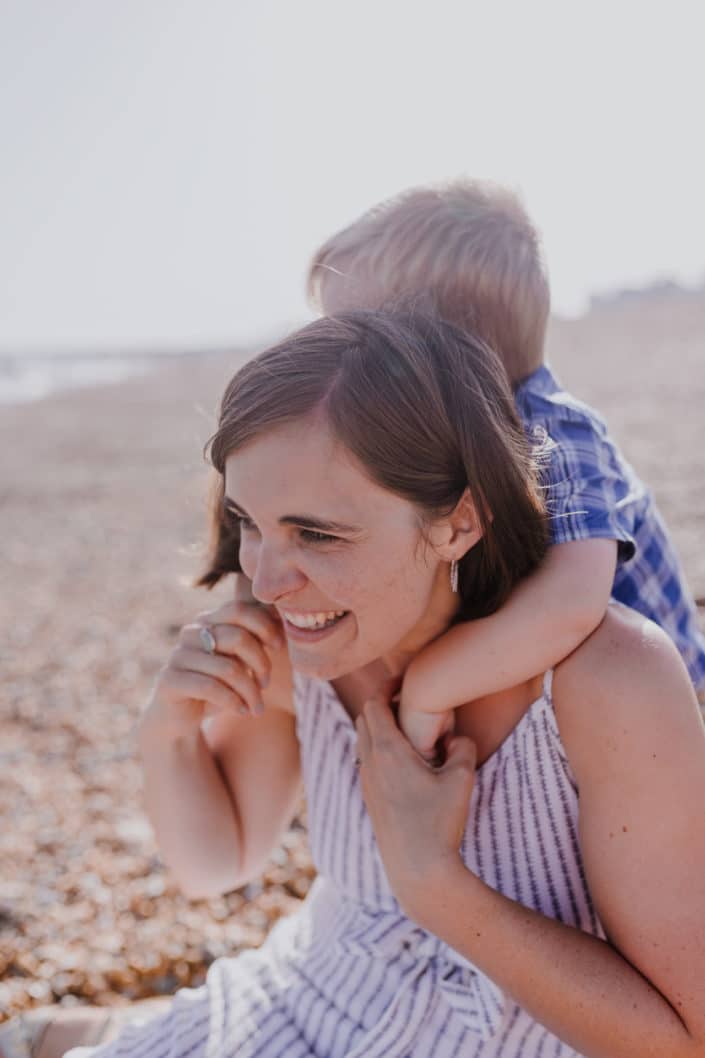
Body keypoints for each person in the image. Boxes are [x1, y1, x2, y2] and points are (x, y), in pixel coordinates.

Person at [9, 309, 705, 1058]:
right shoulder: (295, 642)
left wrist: (431, 882)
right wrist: (168, 732)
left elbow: (679, 1042)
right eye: (249, 521)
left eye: (317, 533)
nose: (267, 580)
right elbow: (214, 863)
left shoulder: (607, 682)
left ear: (457, 523)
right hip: (296, 1012)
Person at [293, 180, 705, 758]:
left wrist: (429, 686)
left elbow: (568, 606)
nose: (336, 362)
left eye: (356, 343)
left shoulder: (553, 431)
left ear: (453, 349)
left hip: (664, 708)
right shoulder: (447, 430)